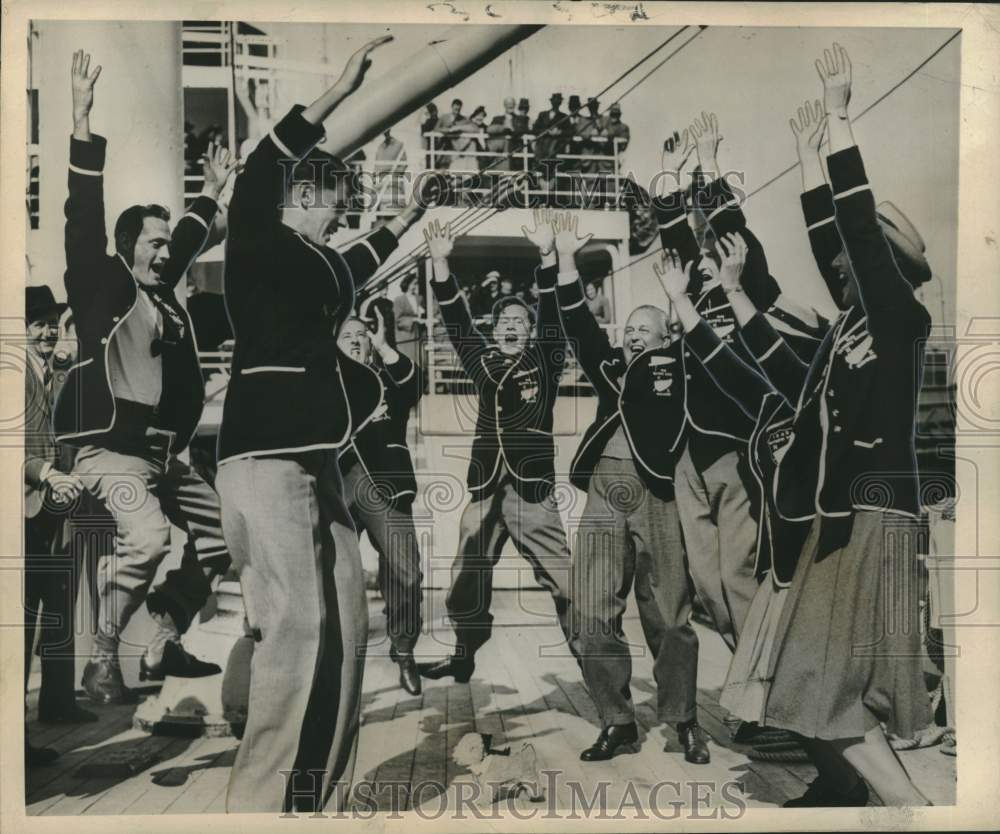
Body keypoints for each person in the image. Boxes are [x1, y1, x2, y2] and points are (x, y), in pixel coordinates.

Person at [215, 35, 430, 814]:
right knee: (298, 625)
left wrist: (405, 221)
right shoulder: (257, 238)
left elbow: (356, 261)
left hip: (318, 461)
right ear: (301, 200)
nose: (342, 219)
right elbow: (262, 164)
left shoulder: (321, 264)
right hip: (266, 457)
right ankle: (258, 807)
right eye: (334, 205)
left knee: (345, 623)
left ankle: (315, 793)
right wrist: (340, 89)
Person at [754, 44, 933, 808]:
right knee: (811, 677)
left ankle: (915, 813)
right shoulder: (854, 318)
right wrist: (804, 160)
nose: (842, 273)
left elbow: (853, 230)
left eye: (864, 264)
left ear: (893, 267)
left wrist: (838, 119)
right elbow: (835, 240)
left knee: (828, 680)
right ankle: (853, 794)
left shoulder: (899, 314)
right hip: (843, 514)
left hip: (876, 511)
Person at [53, 51, 236, 706]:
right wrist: (80, 121)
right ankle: (102, 654)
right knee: (152, 538)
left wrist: (211, 192)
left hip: (165, 455)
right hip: (112, 453)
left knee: (227, 538)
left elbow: (186, 237)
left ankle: (162, 627)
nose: (167, 251)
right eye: (152, 244)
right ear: (129, 248)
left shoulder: (165, 289)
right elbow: (82, 218)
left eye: (168, 244)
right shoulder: (106, 287)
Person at [548, 212, 710, 765]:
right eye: (629, 330)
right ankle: (616, 720)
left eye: (645, 328)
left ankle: (684, 719)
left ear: (667, 334)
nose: (633, 334)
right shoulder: (612, 365)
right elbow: (576, 323)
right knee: (590, 607)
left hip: (657, 489)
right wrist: (565, 257)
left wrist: (680, 293)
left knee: (669, 612)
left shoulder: (681, 363)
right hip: (603, 490)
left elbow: (703, 320)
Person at [417, 210, 576, 684]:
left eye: (518, 321)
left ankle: (606, 690)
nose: (510, 325)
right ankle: (464, 653)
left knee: (569, 586)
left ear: (529, 331)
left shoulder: (546, 361)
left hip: (531, 491)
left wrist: (547, 257)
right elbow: (456, 321)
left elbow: (554, 314)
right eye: (503, 319)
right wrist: (441, 267)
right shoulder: (482, 362)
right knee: (465, 581)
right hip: (485, 485)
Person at [22, 286, 96, 768]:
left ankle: (58, 700)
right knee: (22, 622)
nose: (49, 330)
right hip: (23, 508)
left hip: (54, 507)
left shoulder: (57, 372)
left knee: (60, 603)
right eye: (39, 323)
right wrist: (46, 473)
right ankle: (15, 737)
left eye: (54, 321)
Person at [336, 310, 424, 696]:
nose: (355, 340)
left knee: (407, 572)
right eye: (346, 336)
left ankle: (403, 649)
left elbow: (413, 385)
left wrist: (386, 343)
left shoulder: (388, 378)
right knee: (327, 577)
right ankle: (329, 660)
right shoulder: (325, 381)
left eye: (362, 335)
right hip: (335, 481)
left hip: (384, 483)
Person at [394, 272, 425, 373]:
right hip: (405, 339)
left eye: (416, 284)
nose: (415, 286)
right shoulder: (399, 300)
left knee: (420, 364)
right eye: (413, 284)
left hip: (417, 337)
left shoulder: (419, 298)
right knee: (407, 365)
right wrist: (413, 319)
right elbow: (398, 320)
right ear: (406, 284)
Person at [374, 129, 407, 208]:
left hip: (393, 178)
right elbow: (377, 165)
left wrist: (393, 174)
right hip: (381, 179)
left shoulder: (399, 144)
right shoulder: (380, 146)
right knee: (381, 201)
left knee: (394, 202)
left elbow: (404, 165)